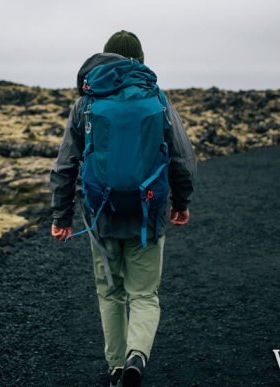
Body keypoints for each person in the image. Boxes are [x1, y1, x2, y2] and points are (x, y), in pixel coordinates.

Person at [49, 30, 196, 387]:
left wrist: (61, 216)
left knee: (110, 293)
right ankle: (136, 356)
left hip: (101, 214)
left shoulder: (86, 103)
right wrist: (181, 203)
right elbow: (182, 158)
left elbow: (65, 164)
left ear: (104, 58)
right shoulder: (157, 99)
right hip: (148, 214)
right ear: (140, 60)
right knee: (144, 294)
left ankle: (116, 366)